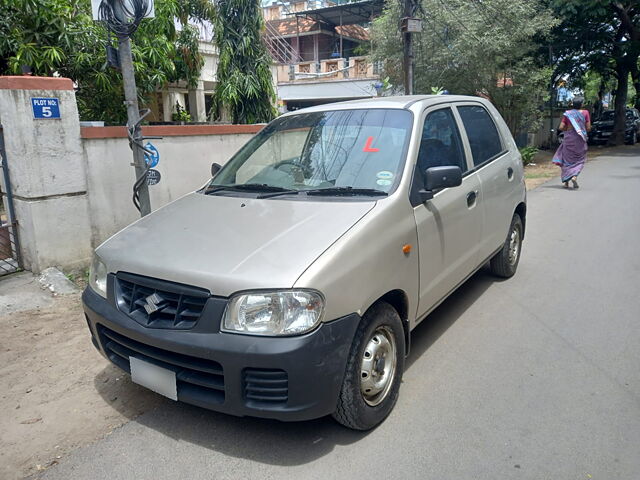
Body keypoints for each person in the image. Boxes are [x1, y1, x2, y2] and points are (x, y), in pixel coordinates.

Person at [553, 98, 591, 189]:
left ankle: (566, 181)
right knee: (580, 159)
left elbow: (561, 127)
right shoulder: (585, 113)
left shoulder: (568, 114)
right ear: (581, 104)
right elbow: (588, 128)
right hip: (580, 139)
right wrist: (580, 129)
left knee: (566, 159)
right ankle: (574, 176)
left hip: (569, 139)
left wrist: (569, 130)